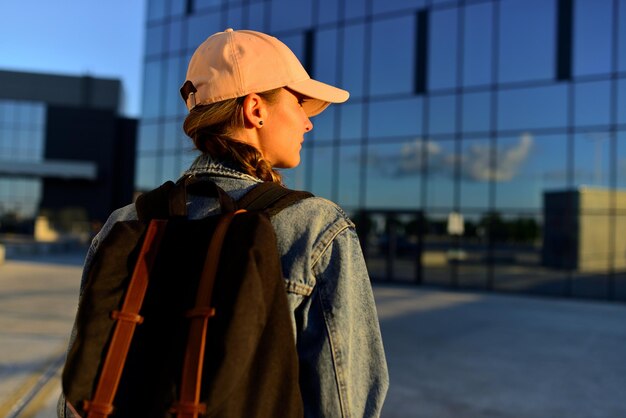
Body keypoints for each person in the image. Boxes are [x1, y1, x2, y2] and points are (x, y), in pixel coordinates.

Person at [59, 28, 388, 417]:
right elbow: (344, 403)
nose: (308, 123)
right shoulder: (315, 226)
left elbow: (80, 393)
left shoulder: (126, 223)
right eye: (299, 102)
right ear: (255, 109)